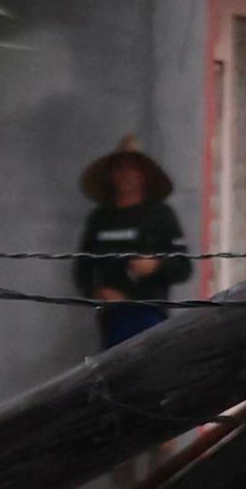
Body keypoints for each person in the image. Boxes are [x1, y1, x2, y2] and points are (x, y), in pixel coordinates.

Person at [75, 138, 192, 352]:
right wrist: (98, 292)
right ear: (110, 175)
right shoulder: (100, 218)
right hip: (112, 317)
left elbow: (184, 267)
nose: (125, 175)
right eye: (119, 169)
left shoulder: (161, 215)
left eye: (132, 169)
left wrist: (155, 266)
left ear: (144, 175)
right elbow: (82, 267)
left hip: (151, 314)